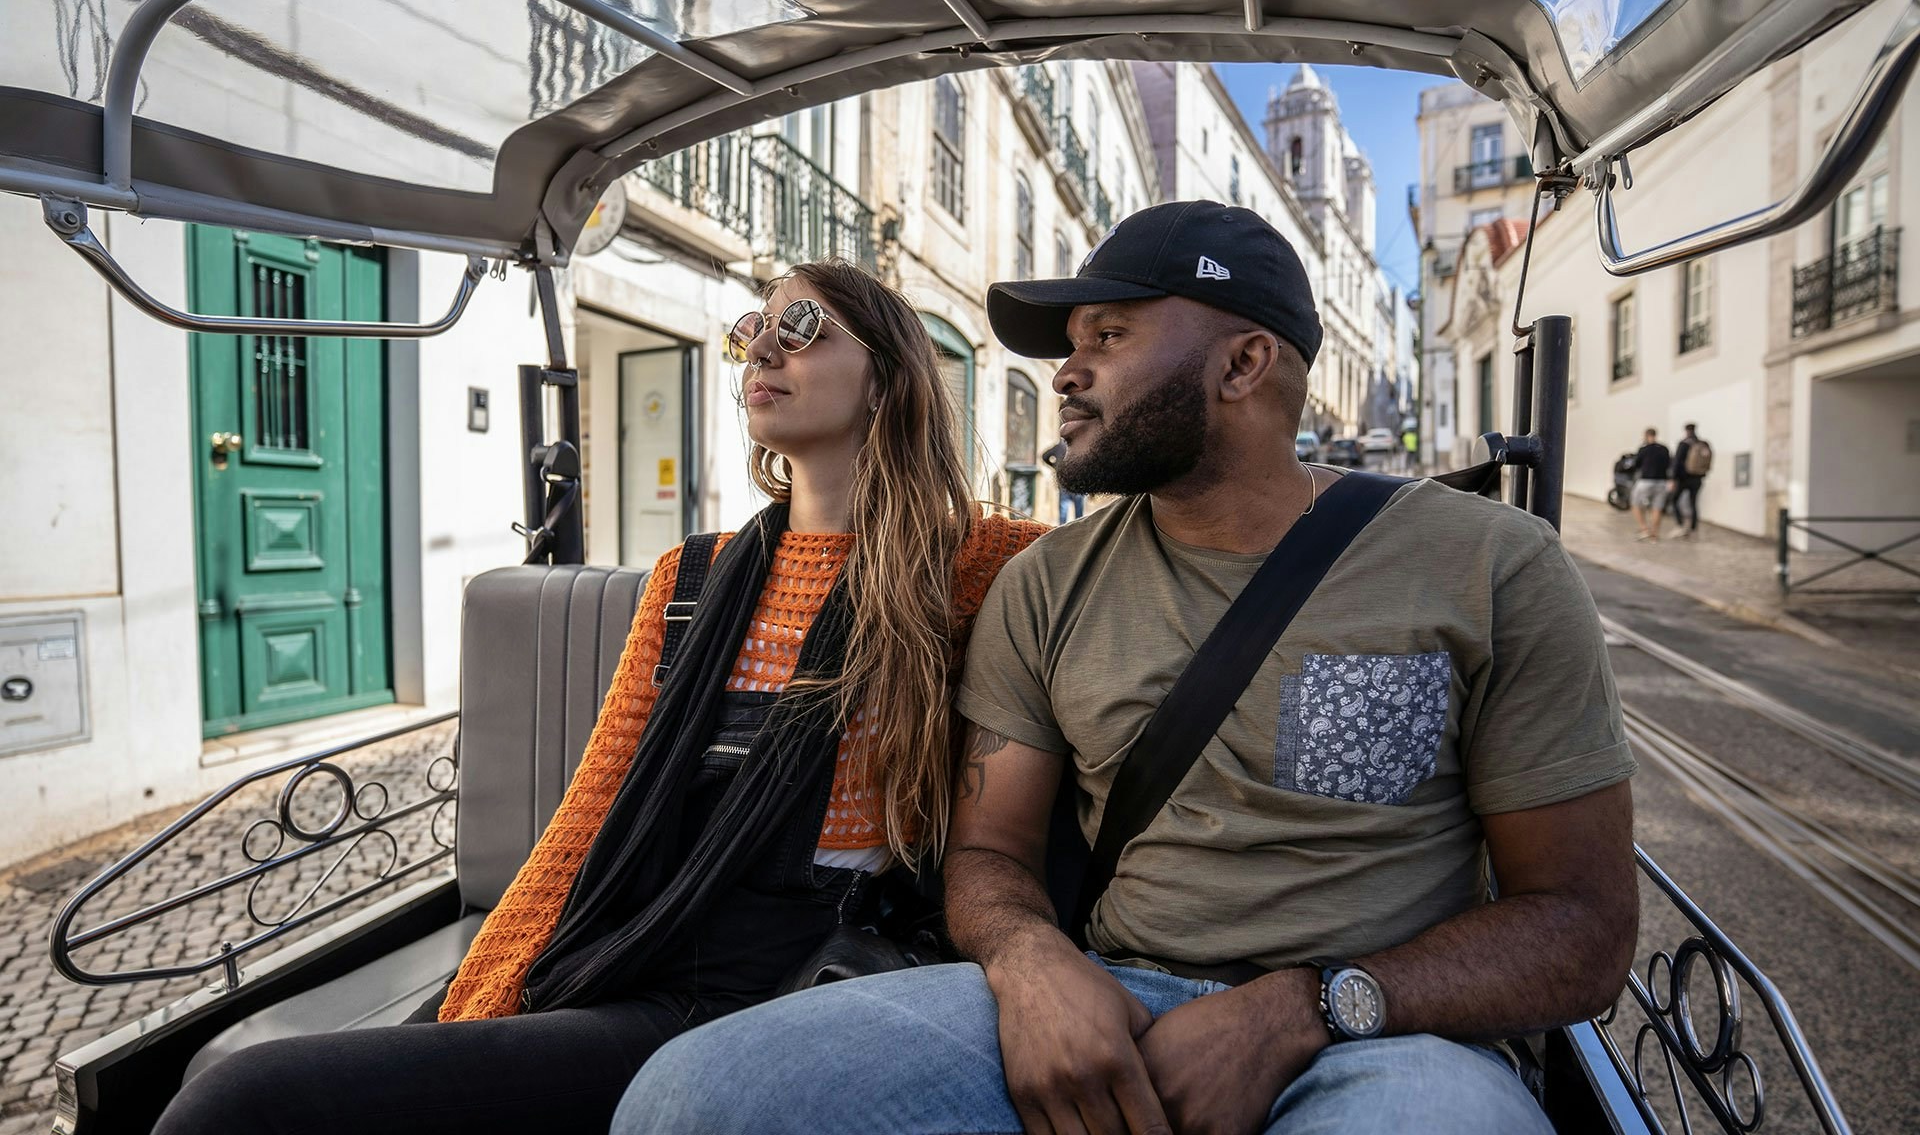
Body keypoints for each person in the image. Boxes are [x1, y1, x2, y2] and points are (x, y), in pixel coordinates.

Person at [613, 202, 1638, 1135]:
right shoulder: (1043, 583)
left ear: (1241, 367)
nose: (1066, 372)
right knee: (688, 1104)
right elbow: (990, 855)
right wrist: (1030, 963)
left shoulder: (1491, 565)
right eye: (1071, 345)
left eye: (1109, 337)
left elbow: (1583, 928)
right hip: (1110, 998)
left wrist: (1305, 1008)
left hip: (1386, 1034)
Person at [152, 261, 1045, 1135]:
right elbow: (594, 807)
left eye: (801, 328)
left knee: (243, 1103)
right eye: (750, 332)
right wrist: (485, 995)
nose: (762, 351)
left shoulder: (986, 565)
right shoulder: (688, 577)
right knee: (278, 1088)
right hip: (635, 936)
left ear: (889, 379)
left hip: (790, 981)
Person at [1629, 426, 1672, 541]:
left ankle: (1644, 529)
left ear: (1646, 435)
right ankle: (1655, 534)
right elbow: (1669, 464)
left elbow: (1636, 464)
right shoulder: (1664, 449)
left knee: (1635, 504)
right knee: (1657, 508)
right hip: (1662, 482)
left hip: (1646, 481)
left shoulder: (1644, 449)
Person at [1667, 422, 1708, 538]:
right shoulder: (1702, 443)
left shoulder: (1684, 444)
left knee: (1674, 500)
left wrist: (1673, 479)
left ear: (1686, 430)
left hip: (1683, 479)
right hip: (1697, 479)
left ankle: (1680, 525)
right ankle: (1694, 529)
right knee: (1693, 503)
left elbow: (1677, 462)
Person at [1043, 438, 1087, 524]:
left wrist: (1055, 467)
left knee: (1063, 511)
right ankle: (1080, 529)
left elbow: (1044, 456)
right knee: (1079, 512)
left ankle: (1062, 530)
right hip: (1078, 483)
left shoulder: (1059, 447)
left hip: (1064, 483)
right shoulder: (1079, 445)